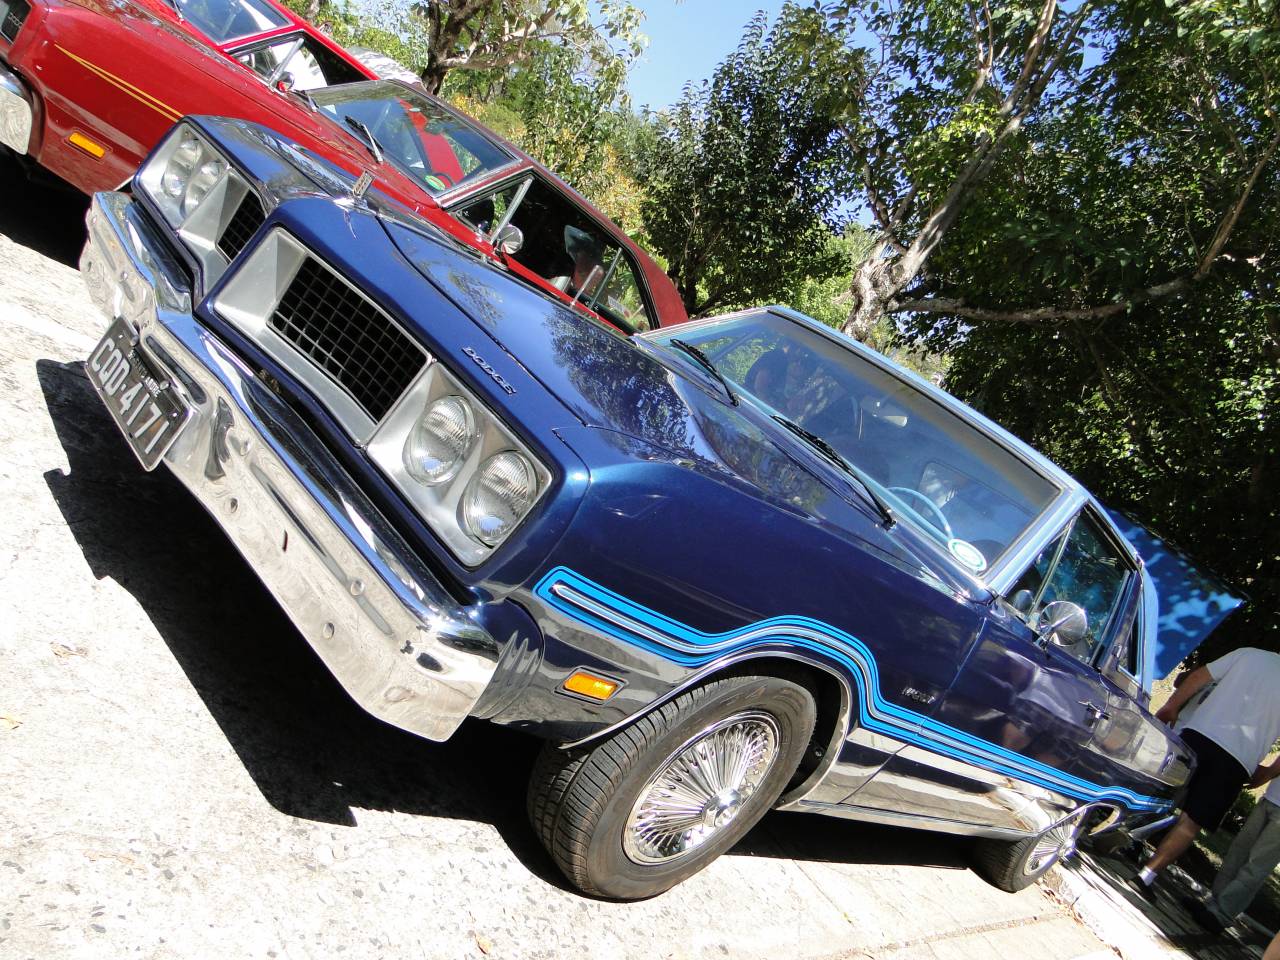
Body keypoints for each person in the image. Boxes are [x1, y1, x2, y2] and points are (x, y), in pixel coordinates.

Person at [1130, 647, 1280, 898]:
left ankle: (1123, 836)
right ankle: (1146, 875)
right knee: (1191, 822)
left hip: (1198, 734)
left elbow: (1199, 676)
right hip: (1237, 760)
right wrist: (1266, 774)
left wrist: (1171, 706)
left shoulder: (1249, 655)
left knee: (1161, 792)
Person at [1186, 760, 1280, 932]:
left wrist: (1265, 774)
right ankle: (1213, 903)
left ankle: (1222, 914)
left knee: (1256, 866)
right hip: (1271, 798)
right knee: (1238, 853)